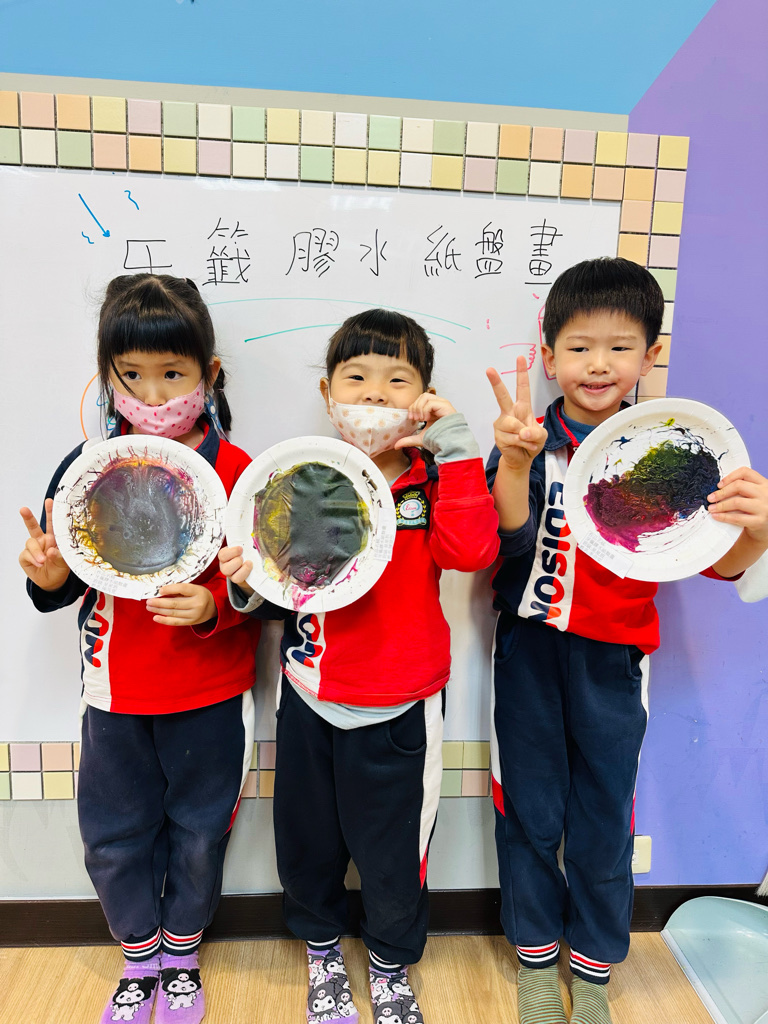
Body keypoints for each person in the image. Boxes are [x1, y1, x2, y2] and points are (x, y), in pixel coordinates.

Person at [485, 257, 768, 1024]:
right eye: (579, 347)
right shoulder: (526, 439)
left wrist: (760, 527)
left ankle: (594, 971)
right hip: (528, 653)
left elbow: (722, 563)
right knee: (529, 812)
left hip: (615, 663)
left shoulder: (670, 449)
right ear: (549, 357)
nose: (598, 363)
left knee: (605, 816)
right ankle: (536, 961)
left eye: (620, 346)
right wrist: (514, 461)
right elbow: (506, 541)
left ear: (651, 354)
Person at [219, 309, 500, 1024]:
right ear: (327, 392)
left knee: (394, 853)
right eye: (357, 377)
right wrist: (244, 585)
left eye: (397, 380)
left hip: (404, 702)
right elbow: (275, 585)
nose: (375, 393)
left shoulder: (431, 483)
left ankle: (390, 963)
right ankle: (321, 951)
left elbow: (472, 553)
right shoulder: (298, 477)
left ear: (422, 396)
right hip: (310, 693)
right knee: (306, 841)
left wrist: (457, 446)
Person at [19, 275, 260, 1024]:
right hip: (115, 692)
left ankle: (181, 954)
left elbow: (266, 588)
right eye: (131, 375)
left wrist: (214, 606)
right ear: (107, 375)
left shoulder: (239, 472)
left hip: (209, 692)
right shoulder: (88, 467)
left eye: (173, 374)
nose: (153, 395)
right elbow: (63, 579)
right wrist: (49, 578)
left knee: (200, 831)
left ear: (208, 374)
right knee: (113, 835)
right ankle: (138, 956)